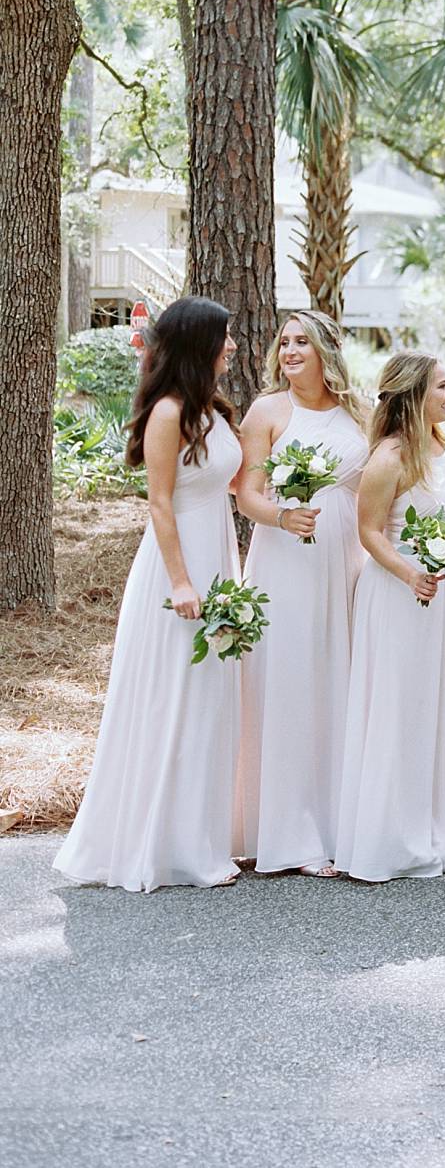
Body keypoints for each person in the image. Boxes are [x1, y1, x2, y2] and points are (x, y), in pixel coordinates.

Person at [54, 298, 242, 892]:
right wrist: (182, 581)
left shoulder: (213, 410)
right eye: (225, 337)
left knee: (208, 701)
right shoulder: (168, 413)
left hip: (219, 557)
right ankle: (156, 845)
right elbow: (160, 501)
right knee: (173, 697)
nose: (232, 345)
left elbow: (233, 484)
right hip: (176, 566)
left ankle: (196, 839)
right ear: (198, 345)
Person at [235, 310, 368, 878]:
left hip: (346, 556)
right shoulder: (268, 411)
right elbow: (247, 495)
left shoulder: (357, 412)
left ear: (325, 351)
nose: (289, 351)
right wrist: (283, 516)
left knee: (335, 678)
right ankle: (286, 831)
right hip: (285, 558)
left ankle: (340, 822)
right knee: (289, 680)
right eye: (283, 342)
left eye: (301, 342)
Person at [335, 353, 445, 881]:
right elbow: (368, 532)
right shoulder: (390, 455)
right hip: (397, 593)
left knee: (428, 707)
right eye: (441, 387)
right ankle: (388, 838)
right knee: (396, 706)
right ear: (414, 395)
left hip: (438, 593)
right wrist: (410, 571)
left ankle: (428, 826)